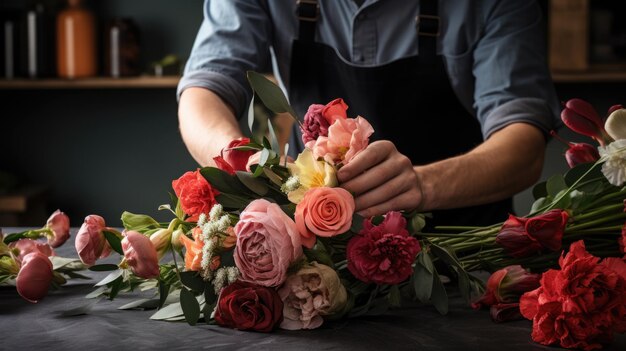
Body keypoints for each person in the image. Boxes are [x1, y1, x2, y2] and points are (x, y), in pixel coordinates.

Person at [176, 0, 561, 227]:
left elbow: (524, 141)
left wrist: (421, 186)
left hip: (463, 249)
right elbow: (203, 91)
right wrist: (254, 168)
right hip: (319, 254)